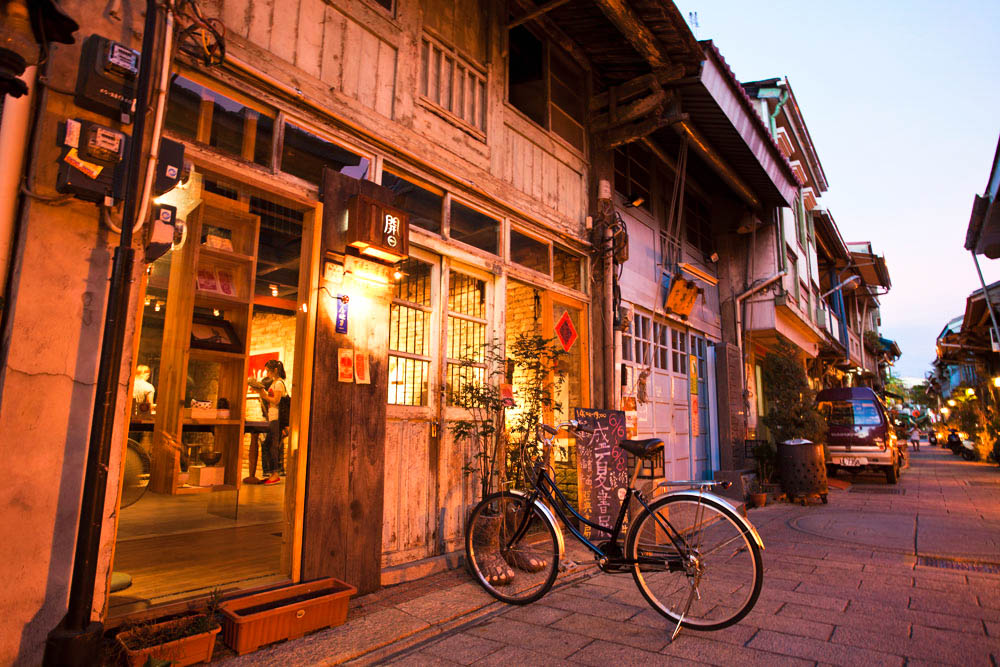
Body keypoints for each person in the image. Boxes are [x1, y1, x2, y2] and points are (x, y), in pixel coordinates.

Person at [256, 360, 287, 485]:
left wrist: (263, 395)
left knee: (273, 445)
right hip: (272, 417)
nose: (267, 373)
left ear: (274, 370)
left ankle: (275, 473)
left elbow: (276, 401)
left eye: (268, 370)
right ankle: (271, 472)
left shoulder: (279, 383)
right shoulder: (274, 383)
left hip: (277, 418)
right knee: (268, 444)